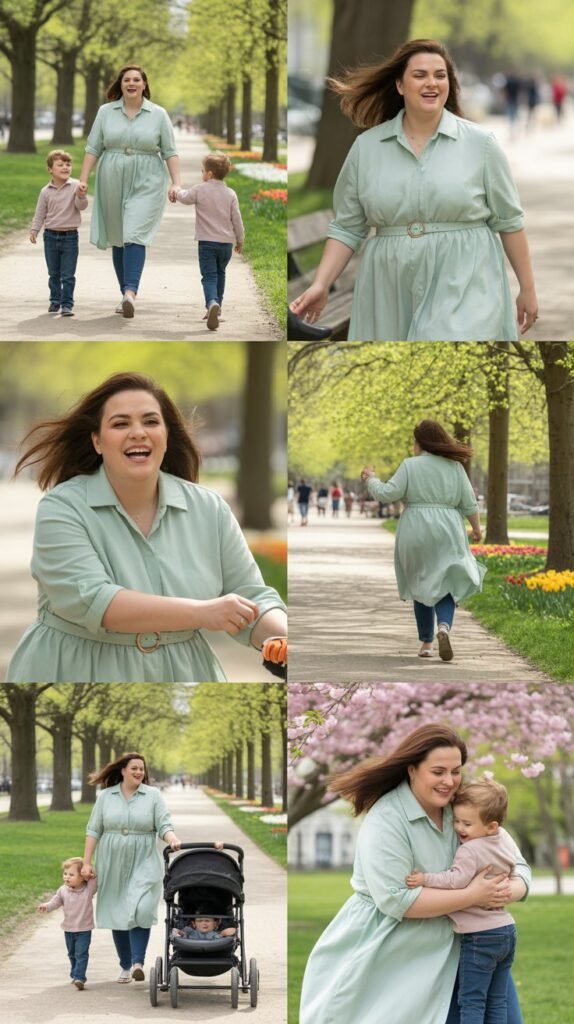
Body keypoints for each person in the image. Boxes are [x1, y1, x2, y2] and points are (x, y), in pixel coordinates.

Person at [6, 372, 287, 683]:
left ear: (166, 437)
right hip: (74, 670)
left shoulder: (210, 508)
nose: (138, 432)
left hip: (184, 674)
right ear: (97, 441)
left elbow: (252, 599)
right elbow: (94, 601)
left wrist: (284, 638)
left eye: (151, 422)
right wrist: (203, 612)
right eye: (120, 424)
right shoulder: (62, 507)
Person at [290, 39, 538, 341]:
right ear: (400, 85)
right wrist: (320, 284)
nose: (431, 82)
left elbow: (509, 221)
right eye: (420, 75)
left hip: (464, 278)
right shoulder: (366, 148)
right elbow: (347, 227)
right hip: (388, 284)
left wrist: (527, 288)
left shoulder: (481, 144)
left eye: (440, 75)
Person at [299, 725, 530, 1024]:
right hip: (395, 941)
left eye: (456, 771)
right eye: (438, 772)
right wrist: (473, 895)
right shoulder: (387, 818)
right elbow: (396, 900)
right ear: (412, 770)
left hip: (472, 939)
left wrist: (505, 891)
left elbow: (518, 864)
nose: (449, 781)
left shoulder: (464, 807)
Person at [361, 419, 485, 661]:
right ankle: (444, 627)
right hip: (448, 527)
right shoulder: (455, 467)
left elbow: (387, 494)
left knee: (420, 582)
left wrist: (371, 479)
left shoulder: (410, 465)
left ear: (420, 442)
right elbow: (469, 503)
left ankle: (427, 644)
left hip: (415, 527)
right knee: (446, 582)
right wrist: (476, 528)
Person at [407, 778, 518, 1024]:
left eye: (467, 823)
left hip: (480, 936)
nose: (459, 828)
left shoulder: (470, 849)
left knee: (472, 1001)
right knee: (497, 1000)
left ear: (491, 825)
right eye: (456, 820)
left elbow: (455, 880)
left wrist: (425, 878)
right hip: (506, 930)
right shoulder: (502, 840)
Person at [78, 65, 181, 318]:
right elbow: (93, 148)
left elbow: (170, 151)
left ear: (144, 84)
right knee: (118, 236)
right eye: (127, 80)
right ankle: (125, 293)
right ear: (121, 84)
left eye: (136, 79)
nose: (131, 83)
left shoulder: (158, 114)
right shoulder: (105, 112)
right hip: (112, 177)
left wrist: (176, 182)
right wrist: (82, 180)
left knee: (134, 233)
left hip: (148, 179)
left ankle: (130, 292)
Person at [81, 752, 181, 983]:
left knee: (142, 908)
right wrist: (86, 862)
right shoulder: (106, 796)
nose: (138, 772)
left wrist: (172, 838)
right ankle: (125, 966)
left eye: (141, 769)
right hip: (112, 859)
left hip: (144, 858)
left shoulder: (153, 795)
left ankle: (138, 962)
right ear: (123, 770)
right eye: (134, 768)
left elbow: (164, 823)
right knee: (118, 910)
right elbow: (94, 829)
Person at [169, 152, 244, 331]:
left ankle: (211, 303)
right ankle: (217, 307)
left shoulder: (200, 189)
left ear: (209, 174)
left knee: (209, 276)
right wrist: (240, 239)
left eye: (202, 170)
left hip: (207, 244)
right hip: (225, 244)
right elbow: (237, 219)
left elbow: (185, 197)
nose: (201, 173)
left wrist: (176, 190)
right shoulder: (230, 194)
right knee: (220, 274)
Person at [30, 150, 88, 317]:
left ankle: (67, 304)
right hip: (50, 237)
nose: (65, 167)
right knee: (53, 273)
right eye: (60, 165)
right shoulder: (45, 191)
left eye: (68, 164)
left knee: (68, 275)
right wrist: (35, 229)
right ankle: (55, 300)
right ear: (50, 169)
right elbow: (40, 213)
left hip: (70, 237)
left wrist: (81, 196)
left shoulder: (76, 186)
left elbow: (82, 206)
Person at [37, 856, 97, 990]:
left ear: (82, 877)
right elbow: (55, 901)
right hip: (68, 929)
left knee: (81, 954)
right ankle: (75, 974)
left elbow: (94, 879)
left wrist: (89, 870)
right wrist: (47, 906)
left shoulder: (88, 890)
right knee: (72, 954)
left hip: (84, 930)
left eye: (71, 874)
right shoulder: (63, 890)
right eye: (65, 874)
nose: (67, 877)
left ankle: (80, 977)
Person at [172, 915, 236, 940]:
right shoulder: (189, 931)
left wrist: (223, 933)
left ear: (215, 924)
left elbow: (232, 931)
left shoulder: (217, 933)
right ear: (194, 924)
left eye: (207, 921)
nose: (204, 923)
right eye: (200, 921)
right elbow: (179, 933)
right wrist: (180, 933)